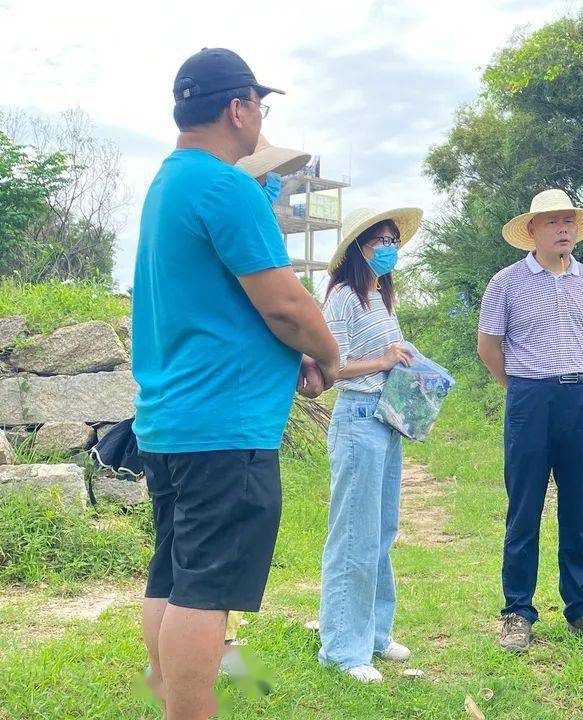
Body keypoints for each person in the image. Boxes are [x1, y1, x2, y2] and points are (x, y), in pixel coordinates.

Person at [132, 48, 339, 720]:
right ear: (237, 107)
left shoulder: (169, 183)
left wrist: (286, 355)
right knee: (205, 592)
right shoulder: (228, 188)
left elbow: (224, 311)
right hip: (225, 428)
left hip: (171, 424)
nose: (261, 119)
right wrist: (326, 354)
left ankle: (170, 700)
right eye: (261, 106)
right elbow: (286, 305)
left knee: (172, 576)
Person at [477, 189, 583, 654]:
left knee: (578, 507)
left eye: (569, 222)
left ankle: (582, 608)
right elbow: (489, 347)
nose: (563, 229)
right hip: (529, 398)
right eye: (553, 221)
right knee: (524, 507)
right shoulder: (506, 283)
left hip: (580, 397)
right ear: (531, 230)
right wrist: (520, 385)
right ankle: (517, 611)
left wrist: (573, 374)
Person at [217, 134, 313, 681]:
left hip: (248, 403)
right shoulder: (241, 221)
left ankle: (198, 658)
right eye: (272, 179)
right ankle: (218, 651)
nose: (280, 189)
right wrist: (318, 351)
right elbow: (280, 309)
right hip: (237, 412)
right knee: (226, 545)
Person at [318, 206, 423, 683]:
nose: (389, 248)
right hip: (357, 419)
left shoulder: (379, 297)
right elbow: (330, 367)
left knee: (381, 530)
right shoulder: (342, 297)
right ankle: (342, 649)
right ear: (359, 248)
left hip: (384, 419)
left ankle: (375, 634)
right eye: (380, 240)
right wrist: (383, 359)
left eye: (393, 239)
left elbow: (382, 358)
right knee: (354, 536)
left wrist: (402, 359)